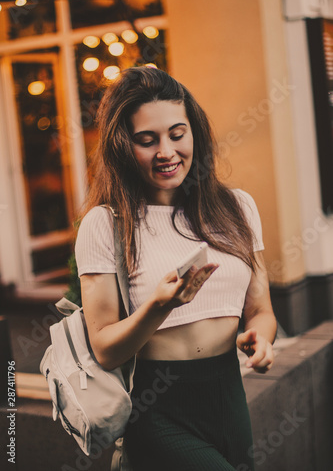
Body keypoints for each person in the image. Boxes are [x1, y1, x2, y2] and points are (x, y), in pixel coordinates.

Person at [74, 66, 277, 471]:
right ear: (122, 147)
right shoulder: (107, 223)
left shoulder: (237, 207)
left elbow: (261, 310)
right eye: (146, 141)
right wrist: (159, 306)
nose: (166, 151)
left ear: (194, 134)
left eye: (177, 134)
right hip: (158, 409)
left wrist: (262, 339)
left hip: (229, 399)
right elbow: (103, 348)